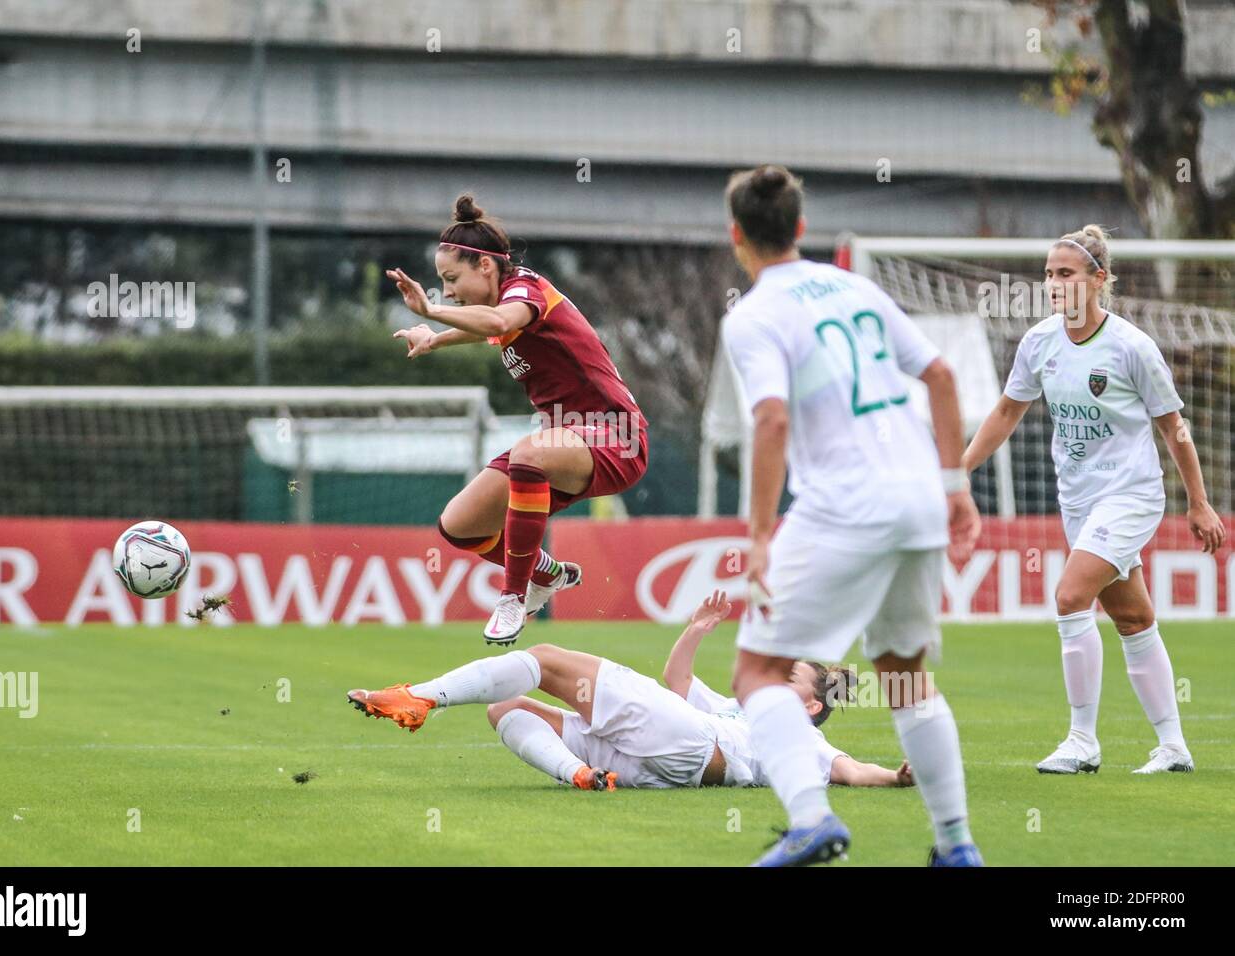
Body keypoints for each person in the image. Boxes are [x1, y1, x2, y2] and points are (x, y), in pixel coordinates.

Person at [720, 164, 983, 867]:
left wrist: (757, 534)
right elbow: (943, 377)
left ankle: (812, 820)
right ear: (801, 228)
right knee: (904, 676)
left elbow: (772, 421)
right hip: (920, 495)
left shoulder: (752, 316)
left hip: (846, 502)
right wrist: (956, 487)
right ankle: (957, 846)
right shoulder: (856, 286)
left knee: (758, 674)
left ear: (735, 235)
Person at [962, 225, 1225, 775]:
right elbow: (1008, 411)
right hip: (1077, 500)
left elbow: (1174, 428)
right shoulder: (1038, 343)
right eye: (1049, 274)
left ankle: (1082, 742)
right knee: (1131, 615)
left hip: (1130, 495)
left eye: (1066, 274)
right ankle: (1173, 747)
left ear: (1098, 280)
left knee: (1069, 594)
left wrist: (1199, 503)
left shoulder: (1131, 347)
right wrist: (957, 471)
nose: (1054, 284)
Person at [389, 194, 648, 645]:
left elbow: (494, 321)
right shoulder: (506, 307)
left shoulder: (526, 291)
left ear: (485, 267)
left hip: (618, 436)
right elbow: (486, 326)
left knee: (529, 451)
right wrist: (434, 339)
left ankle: (513, 597)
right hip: (567, 443)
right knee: (459, 525)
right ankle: (545, 573)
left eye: (451, 279)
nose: (447, 290)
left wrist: (431, 312)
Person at [346, 591, 915, 792]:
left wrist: (895, 775)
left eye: (790, 678)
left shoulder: (801, 738)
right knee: (506, 707)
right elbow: (680, 685)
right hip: (666, 765)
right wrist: (694, 632)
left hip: (691, 743)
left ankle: (418, 696)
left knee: (543, 659)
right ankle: (580, 775)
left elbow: (851, 770)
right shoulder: (745, 710)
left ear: (811, 706)